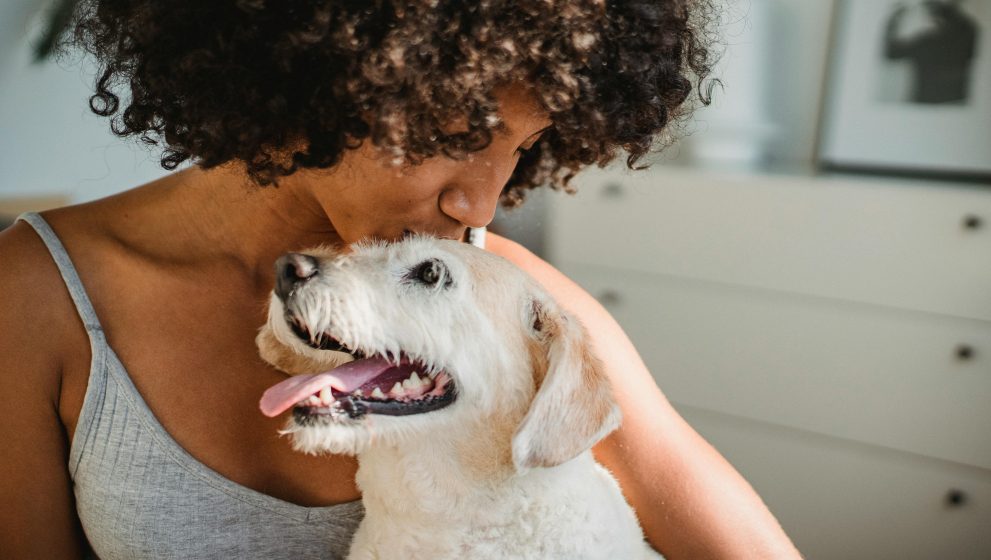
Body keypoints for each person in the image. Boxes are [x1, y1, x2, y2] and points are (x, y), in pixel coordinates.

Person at [0, 1, 802, 558]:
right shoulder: (35, 297)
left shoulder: (504, 301)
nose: (481, 203)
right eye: (462, 134)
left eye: (521, 147)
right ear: (324, 70)